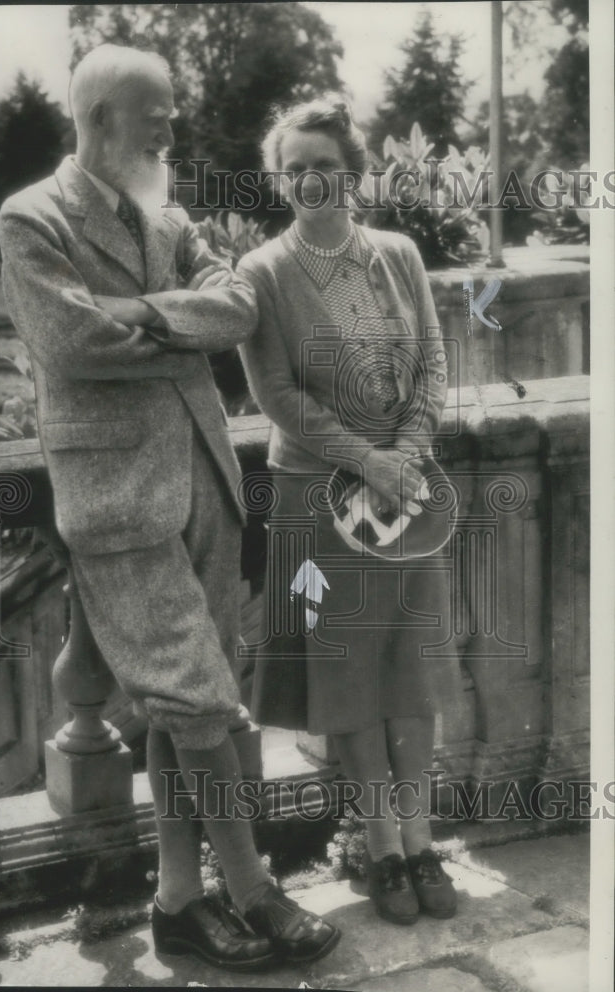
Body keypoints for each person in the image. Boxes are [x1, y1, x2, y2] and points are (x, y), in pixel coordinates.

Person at [0, 45, 340, 970]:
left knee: (198, 702)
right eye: (157, 115)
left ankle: (179, 901)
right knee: (199, 707)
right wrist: (171, 320)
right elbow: (71, 340)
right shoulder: (29, 218)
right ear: (103, 117)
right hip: (115, 500)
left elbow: (235, 311)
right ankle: (254, 890)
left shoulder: (169, 213)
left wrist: (140, 314)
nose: (172, 130)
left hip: (206, 483)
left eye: (175, 116)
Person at [237, 96, 458, 926]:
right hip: (316, 496)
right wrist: (366, 460)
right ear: (278, 177)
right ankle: (381, 849)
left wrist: (405, 453)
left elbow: (433, 359)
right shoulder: (262, 271)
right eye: (293, 169)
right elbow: (277, 395)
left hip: (406, 494)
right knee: (346, 673)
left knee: (409, 669)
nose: (308, 182)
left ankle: (421, 835)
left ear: (351, 171)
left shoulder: (396, 254)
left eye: (322, 166)